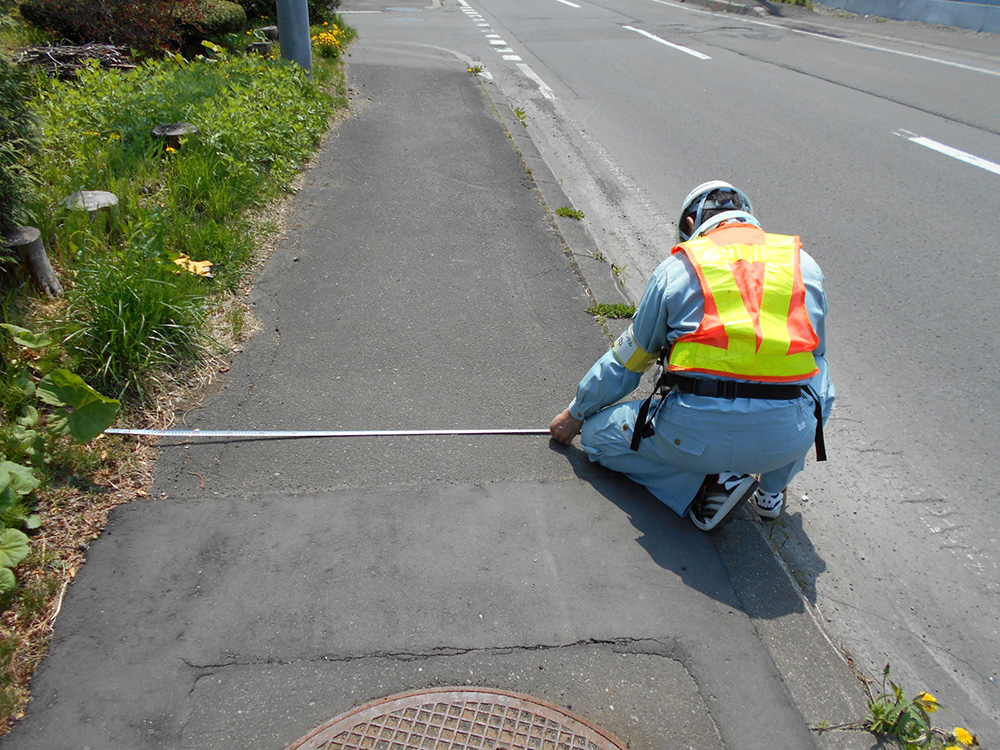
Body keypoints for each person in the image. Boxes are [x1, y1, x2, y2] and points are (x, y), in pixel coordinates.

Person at [550, 181, 834, 531]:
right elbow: (817, 370)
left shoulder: (678, 268)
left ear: (690, 225)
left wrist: (577, 412)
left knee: (597, 437)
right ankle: (771, 493)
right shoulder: (803, 265)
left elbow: (629, 360)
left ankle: (707, 488)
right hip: (785, 438)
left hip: (692, 433)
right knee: (818, 374)